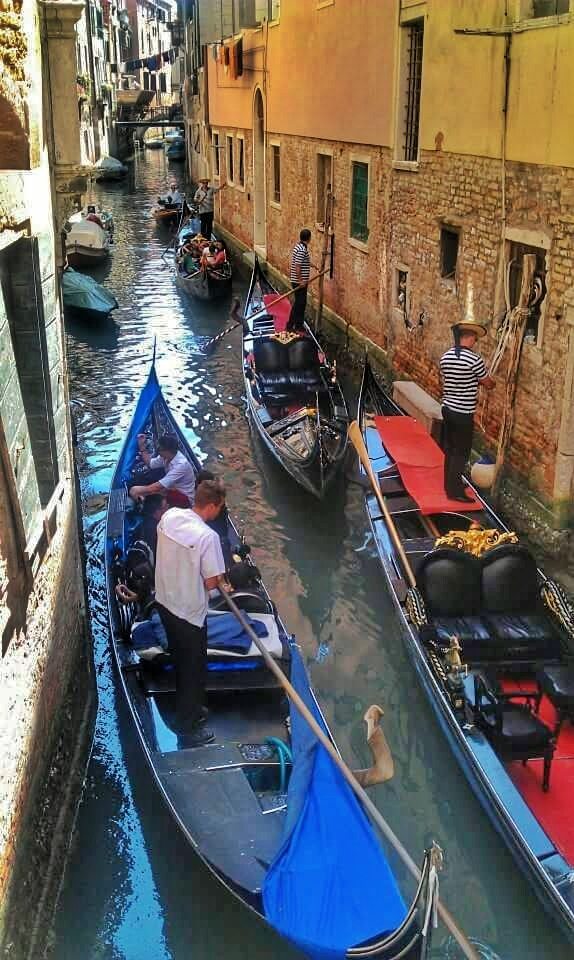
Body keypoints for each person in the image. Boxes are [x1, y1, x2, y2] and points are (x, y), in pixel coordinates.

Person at [155, 480, 228, 748]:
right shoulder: (207, 537)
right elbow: (211, 583)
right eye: (219, 507)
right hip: (188, 614)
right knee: (192, 670)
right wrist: (222, 578)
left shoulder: (170, 516)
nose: (219, 512)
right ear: (211, 506)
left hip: (164, 602)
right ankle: (188, 726)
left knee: (180, 661)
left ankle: (191, 709)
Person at [439, 321, 495, 502]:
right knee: (461, 451)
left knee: (449, 448)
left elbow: (453, 378)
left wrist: (471, 380)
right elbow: (488, 383)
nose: (475, 342)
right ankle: (454, 492)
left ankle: (449, 484)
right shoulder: (474, 360)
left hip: (447, 408)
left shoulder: (446, 356)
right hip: (463, 412)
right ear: (468, 338)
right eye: (475, 339)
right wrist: (489, 382)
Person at [130, 434, 196, 507]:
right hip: (171, 489)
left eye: (159, 449)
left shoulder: (181, 465)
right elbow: (150, 463)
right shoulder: (165, 457)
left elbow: (157, 487)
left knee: (151, 499)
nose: (157, 451)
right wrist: (142, 447)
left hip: (183, 497)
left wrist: (137, 490)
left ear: (167, 451)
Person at [286, 228, 316, 332]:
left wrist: (314, 266)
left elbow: (302, 262)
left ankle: (297, 324)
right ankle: (292, 325)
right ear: (309, 238)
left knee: (301, 303)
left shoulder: (298, 247)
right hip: (299, 282)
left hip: (298, 281)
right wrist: (301, 281)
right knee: (300, 303)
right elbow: (298, 266)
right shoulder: (302, 250)